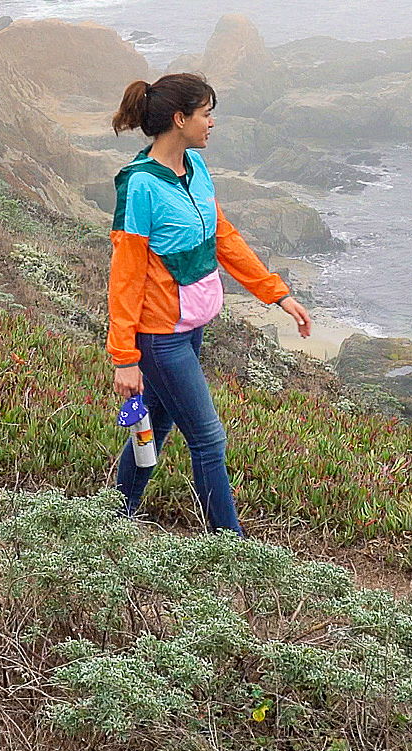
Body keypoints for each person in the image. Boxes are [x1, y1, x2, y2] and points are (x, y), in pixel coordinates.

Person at [107, 72, 313, 532]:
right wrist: (125, 357)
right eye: (206, 113)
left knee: (155, 428)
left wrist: (276, 294)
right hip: (160, 338)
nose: (212, 123)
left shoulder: (196, 170)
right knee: (207, 440)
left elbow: (223, 237)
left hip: (190, 327)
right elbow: (125, 277)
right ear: (180, 119)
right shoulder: (139, 186)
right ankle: (230, 548)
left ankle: (112, 518)